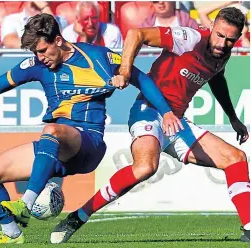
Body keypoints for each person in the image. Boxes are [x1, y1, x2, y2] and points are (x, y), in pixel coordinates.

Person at [0, 13, 182, 245]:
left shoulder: (99, 57)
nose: (39, 58)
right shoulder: (37, 66)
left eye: (42, 50)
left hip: (87, 144)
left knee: (52, 131)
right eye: (35, 53)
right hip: (53, 149)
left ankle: (25, 204)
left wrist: (166, 111)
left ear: (58, 40)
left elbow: (142, 79)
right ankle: (11, 233)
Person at [51, 7, 250, 243]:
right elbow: (136, 34)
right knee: (145, 167)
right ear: (213, 25)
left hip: (175, 122)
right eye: (219, 35)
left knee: (236, 158)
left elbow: (217, 79)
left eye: (230, 40)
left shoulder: (221, 53)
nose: (222, 44)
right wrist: (125, 70)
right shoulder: (190, 39)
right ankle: (78, 217)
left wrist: (233, 118)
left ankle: (249, 228)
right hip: (148, 111)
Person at [0, 1, 68, 48]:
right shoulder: (12, 19)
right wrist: (46, 42)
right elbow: (10, 43)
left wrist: (45, 8)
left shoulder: (60, 21)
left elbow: (59, 41)